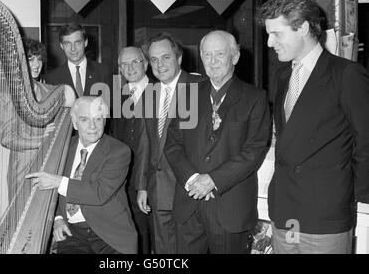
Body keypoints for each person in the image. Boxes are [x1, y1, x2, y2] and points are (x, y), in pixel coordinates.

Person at [261, 0, 369, 254]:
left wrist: (351, 194)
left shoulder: (347, 74)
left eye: (276, 33)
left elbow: (366, 141)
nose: (269, 43)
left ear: (303, 28)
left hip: (324, 216)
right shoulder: (283, 75)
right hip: (284, 212)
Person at [164, 30, 271, 253]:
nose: (212, 62)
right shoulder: (188, 95)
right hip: (189, 204)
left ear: (235, 57)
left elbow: (254, 150)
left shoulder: (255, 98)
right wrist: (193, 178)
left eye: (219, 54)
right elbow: (173, 144)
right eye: (207, 55)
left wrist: (213, 180)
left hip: (230, 208)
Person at [26, 96, 137, 254]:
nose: (92, 126)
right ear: (74, 122)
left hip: (109, 235)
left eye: (98, 119)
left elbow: (99, 193)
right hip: (74, 234)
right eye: (84, 119)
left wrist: (59, 182)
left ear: (105, 121)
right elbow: (49, 190)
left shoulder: (119, 152)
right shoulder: (62, 148)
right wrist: (58, 219)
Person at [135, 32, 205, 253]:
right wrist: (142, 186)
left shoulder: (200, 86)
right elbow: (146, 143)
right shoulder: (149, 93)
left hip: (191, 191)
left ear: (179, 58)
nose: (160, 65)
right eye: (154, 60)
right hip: (158, 192)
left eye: (166, 57)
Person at [0, 39, 75, 201]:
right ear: (19, 64)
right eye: (30, 59)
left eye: (39, 59)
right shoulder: (6, 95)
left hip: (51, 162)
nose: (36, 64)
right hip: (23, 167)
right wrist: (41, 140)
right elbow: (6, 137)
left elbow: (71, 99)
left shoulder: (50, 91)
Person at [112, 46, 153, 254]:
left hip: (154, 178)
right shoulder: (118, 97)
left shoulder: (161, 92)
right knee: (136, 235)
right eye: (124, 64)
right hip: (126, 178)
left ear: (145, 64)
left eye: (135, 62)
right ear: (120, 69)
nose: (130, 67)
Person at [45, 23, 112, 100]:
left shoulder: (103, 71)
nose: (73, 49)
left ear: (85, 42)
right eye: (67, 44)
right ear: (61, 46)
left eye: (77, 42)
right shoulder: (51, 78)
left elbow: (112, 106)